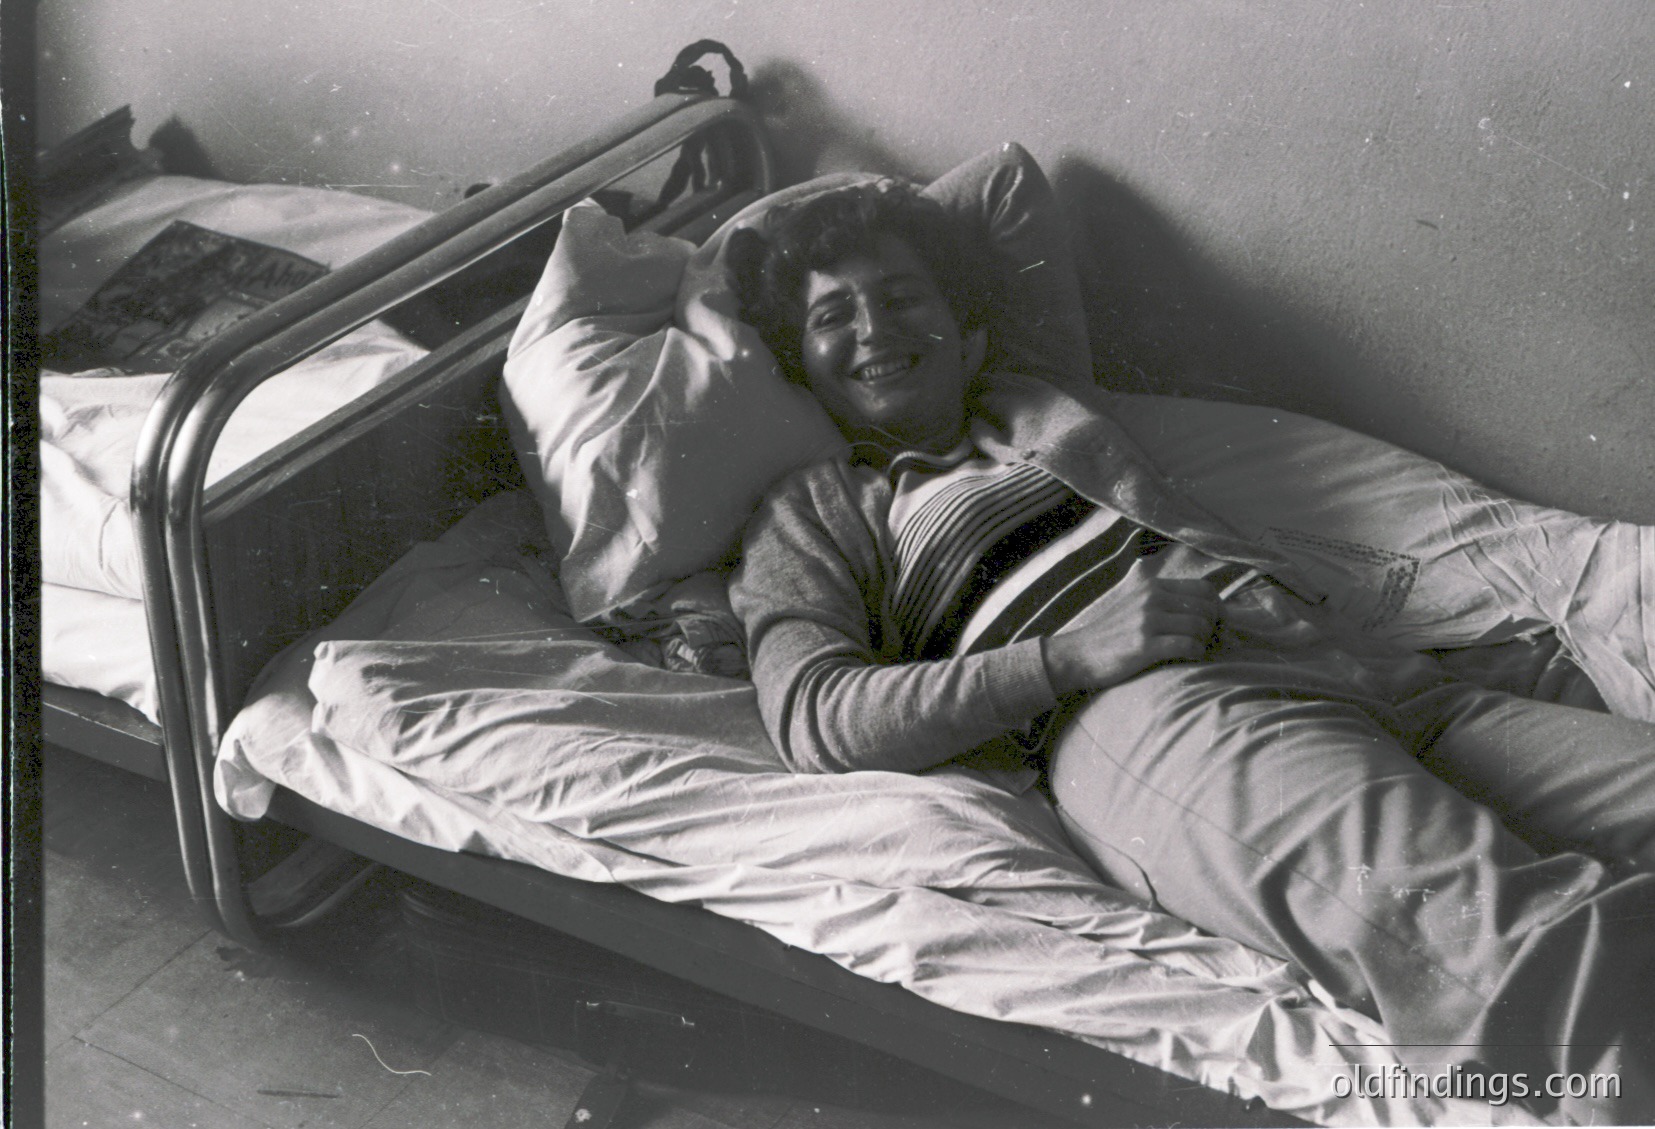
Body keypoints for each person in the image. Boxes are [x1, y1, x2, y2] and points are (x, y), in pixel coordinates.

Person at [724, 181, 1655, 1123]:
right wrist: (1066, 655)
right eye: (832, 314)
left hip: (1349, 662)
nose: (876, 325)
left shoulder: (1033, 402)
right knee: (1484, 934)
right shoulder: (814, 509)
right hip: (1146, 710)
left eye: (902, 295)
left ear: (967, 333)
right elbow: (815, 716)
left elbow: (1003, 184)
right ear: (798, 366)